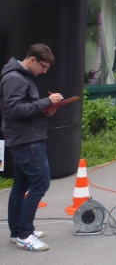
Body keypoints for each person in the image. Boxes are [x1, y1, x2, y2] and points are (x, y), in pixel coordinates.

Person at [1, 44, 63, 252]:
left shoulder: (20, 76)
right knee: (40, 183)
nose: (44, 71)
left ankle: (17, 232)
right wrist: (46, 101)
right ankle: (25, 234)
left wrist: (46, 109)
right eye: (43, 67)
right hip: (27, 141)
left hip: (24, 138)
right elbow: (13, 110)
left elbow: (23, 109)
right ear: (32, 59)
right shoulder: (15, 78)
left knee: (21, 185)